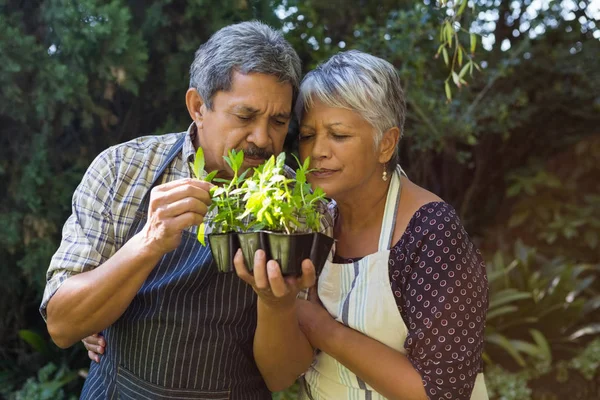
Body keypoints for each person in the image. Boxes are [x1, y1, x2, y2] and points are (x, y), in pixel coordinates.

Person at [40, 21, 331, 399]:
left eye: (278, 121)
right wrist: (148, 242)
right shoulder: (123, 169)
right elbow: (62, 326)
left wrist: (277, 305)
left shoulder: (302, 208)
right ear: (198, 106)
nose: (262, 138)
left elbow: (280, 378)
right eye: (245, 116)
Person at [233, 50, 489, 399]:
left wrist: (324, 330)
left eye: (338, 135)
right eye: (308, 135)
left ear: (385, 144)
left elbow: (444, 392)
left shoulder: (431, 232)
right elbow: (280, 375)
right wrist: (276, 305)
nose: (317, 151)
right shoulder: (314, 219)